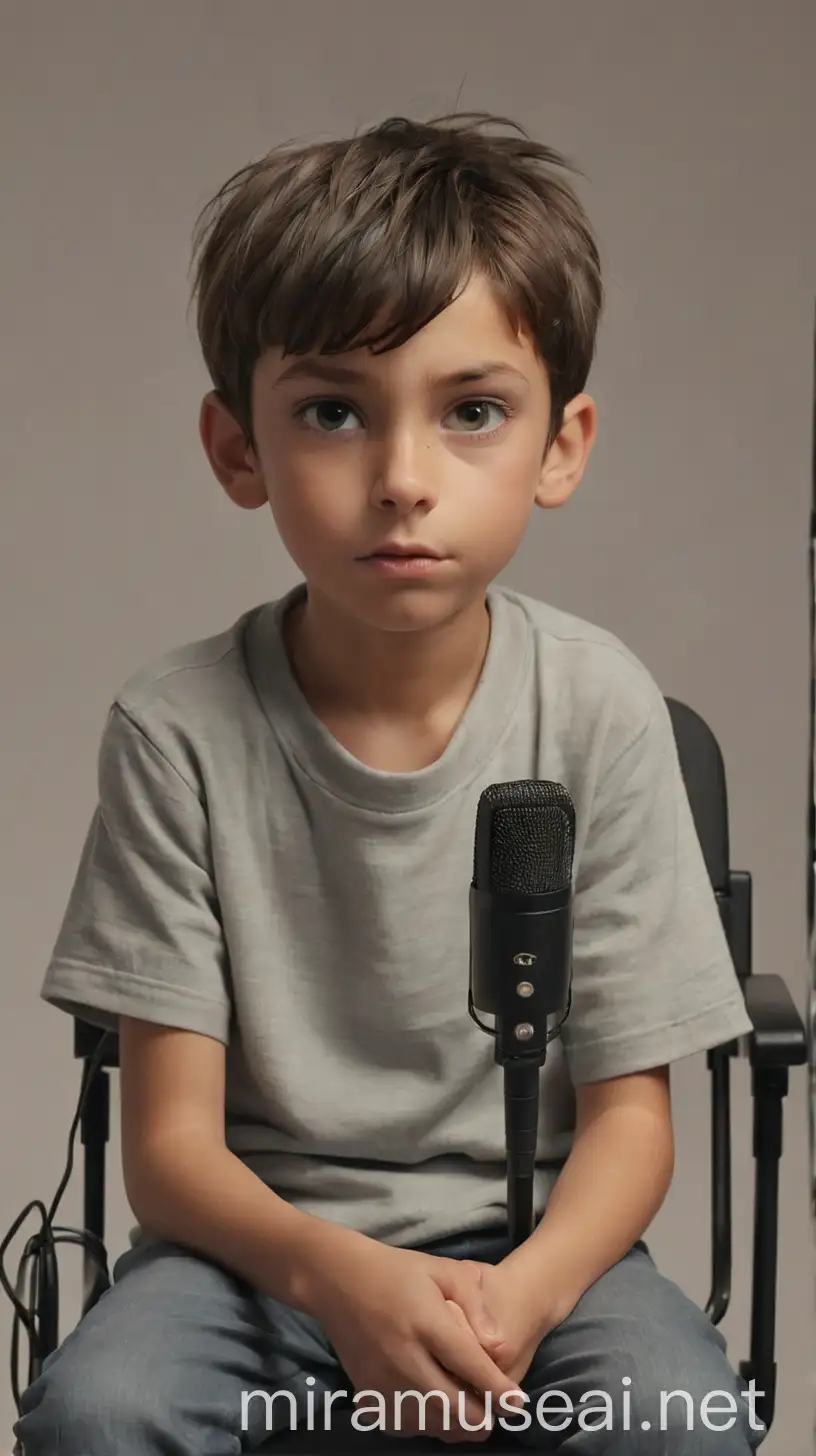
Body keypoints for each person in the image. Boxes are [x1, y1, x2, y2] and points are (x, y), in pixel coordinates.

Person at [15, 112, 762, 1454]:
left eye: (472, 412)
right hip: (256, 1253)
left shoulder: (597, 709)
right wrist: (344, 1283)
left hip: (537, 1251)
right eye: (333, 413)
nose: (402, 480)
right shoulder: (177, 729)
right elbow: (170, 1153)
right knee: (103, 1409)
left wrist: (515, 1307)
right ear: (238, 446)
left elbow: (629, 1130)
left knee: (678, 1419)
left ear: (562, 444)